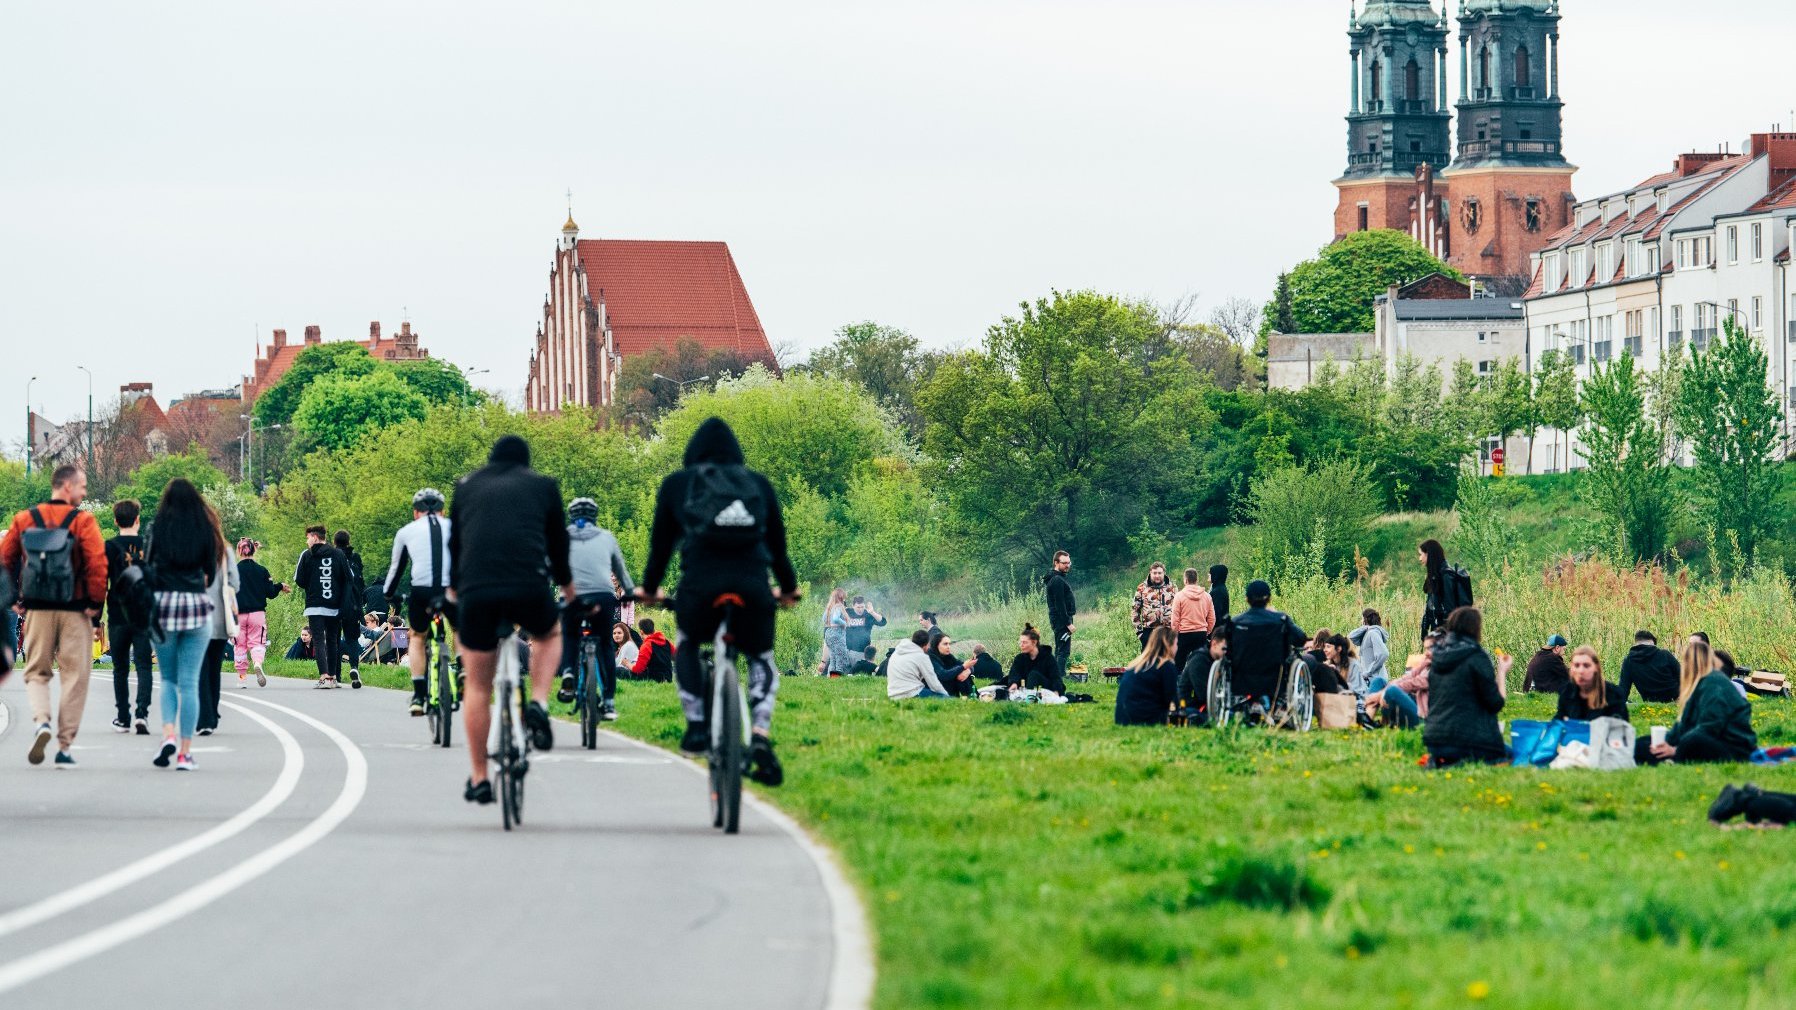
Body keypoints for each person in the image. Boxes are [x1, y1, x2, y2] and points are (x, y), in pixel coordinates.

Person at [637, 417, 801, 787]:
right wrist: (788, 589)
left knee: (689, 645)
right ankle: (759, 734)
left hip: (700, 587)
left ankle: (696, 725)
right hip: (752, 585)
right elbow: (777, 547)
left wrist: (649, 588)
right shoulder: (757, 484)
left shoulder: (680, 484)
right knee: (761, 656)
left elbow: (661, 546)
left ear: (692, 453)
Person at [448, 435, 573, 804]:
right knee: (549, 634)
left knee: (477, 688)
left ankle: (480, 776)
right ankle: (538, 701)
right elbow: (558, 545)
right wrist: (567, 588)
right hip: (528, 587)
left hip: (477, 591)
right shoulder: (543, 486)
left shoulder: (466, 487)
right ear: (525, 463)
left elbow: (456, 545)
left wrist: (455, 592)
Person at [0, 464, 107, 767]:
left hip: (37, 608)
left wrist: (15, 600)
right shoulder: (83, 521)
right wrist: (95, 607)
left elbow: (5, 560)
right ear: (66, 487)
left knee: (36, 671)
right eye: (82, 486)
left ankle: (42, 721)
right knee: (75, 676)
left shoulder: (24, 520)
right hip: (75, 610)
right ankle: (64, 746)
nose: (84, 492)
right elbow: (97, 565)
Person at [145, 479, 225, 771]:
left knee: (168, 679)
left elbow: (148, 565)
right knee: (189, 682)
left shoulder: (157, 528)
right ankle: (185, 753)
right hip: (194, 604)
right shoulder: (204, 529)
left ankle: (168, 733)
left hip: (164, 605)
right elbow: (210, 571)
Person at [554, 496, 633, 722]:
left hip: (572, 596)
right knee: (606, 646)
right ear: (594, 517)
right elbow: (621, 570)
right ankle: (608, 702)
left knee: (569, 635)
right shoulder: (606, 537)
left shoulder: (562, 535)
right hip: (603, 596)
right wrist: (629, 592)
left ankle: (569, 673)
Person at [383, 488, 453, 716]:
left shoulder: (406, 532)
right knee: (462, 628)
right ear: (442, 512)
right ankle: (461, 668)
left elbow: (396, 569)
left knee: (417, 637)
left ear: (416, 513)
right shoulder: (455, 527)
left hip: (421, 592)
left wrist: (389, 594)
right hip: (451, 589)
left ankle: (419, 694)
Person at [1637, 637, 1757, 766]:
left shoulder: (1715, 683)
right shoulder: (1697, 686)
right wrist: (1663, 742)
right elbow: (1683, 725)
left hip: (1733, 747)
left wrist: (1675, 750)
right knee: (1644, 743)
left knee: (1692, 740)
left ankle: (1673, 757)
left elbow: (1710, 726)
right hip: (1708, 739)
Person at [1422, 607, 1512, 768]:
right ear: (1475, 628)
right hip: (1466, 739)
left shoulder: (1438, 657)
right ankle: (1462, 761)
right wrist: (1502, 672)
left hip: (1434, 740)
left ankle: (1447, 761)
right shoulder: (1477, 656)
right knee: (1513, 754)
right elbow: (1496, 703)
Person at [104, 499, 154, 733]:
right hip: (143, 614)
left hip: (117, 614)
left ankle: (123, 716)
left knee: (120, 667)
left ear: (115, 520)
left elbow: (100, 581)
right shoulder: (148, 545)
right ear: (138, 519)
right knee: (143, 665)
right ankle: (142, 713)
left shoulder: (109, 546)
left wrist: (95, 618)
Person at [1223, 580, 1308, 708]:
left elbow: (1228, 648)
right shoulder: (1281, 620)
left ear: (1246, 599)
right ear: (1269, 598)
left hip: (1242, 677)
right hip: (1275, 677)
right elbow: (1300, 639)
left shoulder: (1235, 622)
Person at [294, 525, 351, 688]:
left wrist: (312, 584)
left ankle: (324, 677)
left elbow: (299, 579)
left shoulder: (306, 555)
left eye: (308, 538)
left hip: (314, 604)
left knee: (319, 640)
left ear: (315, 537)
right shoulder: (338, 554)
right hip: (334, 605)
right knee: (332, 640)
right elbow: (348, 577)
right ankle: (333, 678)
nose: (307, 541)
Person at [194, 533, 240, 735]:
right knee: (214, 668)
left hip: (196, 618)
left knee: (200, 669)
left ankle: (205, 717)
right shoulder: (225, 550)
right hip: (220, 619)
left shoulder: (192, 550)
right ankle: (212, 712)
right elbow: (235, 584)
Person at [234, 538, 286, 689]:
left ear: (239, 552)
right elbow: (270, 592)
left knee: (240, 646)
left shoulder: (233, 571)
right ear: (254, 550)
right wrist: (280, 586)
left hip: (239, 614)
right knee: (257, 642)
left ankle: (242, 678)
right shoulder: (262, 571)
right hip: (257, 614)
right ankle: (257, 663)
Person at [1368, 632, 1439, 730]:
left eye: (1430, 648)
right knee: (1378, 681)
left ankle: (1374, 722)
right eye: (1425, 649)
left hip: (1423, 718)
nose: (1426, 652)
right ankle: (1367, 720)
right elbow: (1406, 678)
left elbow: (1412, 683)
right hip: (1413, 703)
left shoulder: (1440, 669)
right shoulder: (1426, 665)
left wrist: (1383, 692)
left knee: (1392, 691)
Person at [1115, 626, 1179, 726]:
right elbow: (1172, 701)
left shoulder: (1135, 664)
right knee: (1194, 713)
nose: (1177, 648)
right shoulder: (1166, 666)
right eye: (1176, 644)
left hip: (1122, 718)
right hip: (1147, 719)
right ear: (1168, 645)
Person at [1554, 646, 1627, 721]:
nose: (1581, 671)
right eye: (1576, 665)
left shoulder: (1613, 693)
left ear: (1596, 667)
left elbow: (1621, 728)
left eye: (1586, 666)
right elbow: (1558, 722)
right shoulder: (1567, 691)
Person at [333, 530, 366, 689]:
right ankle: (354, 667)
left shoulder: (332, 557)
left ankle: (337, 675)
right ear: (348, 541)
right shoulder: (355, 558)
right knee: (352, 640)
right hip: (353, 605)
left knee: (335, 639)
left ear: (334, 542)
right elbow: (361, 583)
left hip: (336, 604)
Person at [1170, 567, 1216, 672]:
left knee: (1178, 665)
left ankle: (1179, 686)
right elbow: (1212, 618)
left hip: (1184, 634)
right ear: (1196, 580)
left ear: (1185, 580)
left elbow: (1175, 619)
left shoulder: (1179, 596)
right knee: (1200, 664)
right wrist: (1206, 631)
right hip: (1200, 634)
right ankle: (1199, 686)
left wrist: (1175, 634)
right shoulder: (1207, 596)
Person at [1618, 629, 1680, 703]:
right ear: (1653, 643)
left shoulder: (1629, 661)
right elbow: (1684, 677)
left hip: (1651, 705)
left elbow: (1623, 690)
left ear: (1636, 642)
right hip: (1677, 701)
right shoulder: (1665, 655)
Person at [886, 629, 948, 700]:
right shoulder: (922, 657)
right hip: (911, 694)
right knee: (949, 699)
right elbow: (934, 684)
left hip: (893, 694)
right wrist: (945, 695)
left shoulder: (896, 652)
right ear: (927, 644)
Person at [1004, 625, 1063, 694]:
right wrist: (1014, 683)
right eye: (1020, 642)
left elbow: (1056, 677)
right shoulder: (1019, 658)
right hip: (1025, 687)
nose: (1021, 645)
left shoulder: (1048, 657)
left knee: (1033, 675)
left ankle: (1030, 697)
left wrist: (1056, 692)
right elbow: (1015, 673)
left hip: (1045, 689)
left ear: (1034, 642)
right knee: (1005, 680)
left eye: (1024, 642)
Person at [1045, 550, 1076, 683]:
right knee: (1063, 649)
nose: (1067, 565)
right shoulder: (1057, 580)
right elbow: (1060, 604)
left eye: (1069, 563)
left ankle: (1056, 675)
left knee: (1060, 647)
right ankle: (1060, 676)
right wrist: (1068, 623)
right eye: (1064, 563)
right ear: (1056, 563)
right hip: (1061, 621)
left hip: (1060, 620)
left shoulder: (1057, 578)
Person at [1130, 562, 1176, 649]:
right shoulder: (1142, 588)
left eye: (1159, 573)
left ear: (1164, 573)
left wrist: (1177, 631)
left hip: (1168, 631)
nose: (1157, 576)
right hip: (1149, 632)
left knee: (1169, 661)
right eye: (1154, 573)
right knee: (1149, 662)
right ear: (1150, 573)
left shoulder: (1172, 587)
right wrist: (1140, 633)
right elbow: (1134, 610)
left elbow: (1179, 609)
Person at [1347, 610, 1388, 696]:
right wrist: (1365, 627)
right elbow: (1351, 637)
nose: (1360, 621)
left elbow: (1383, 654)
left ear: (1365, 619)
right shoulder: (1367, 632)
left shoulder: (1373, 633)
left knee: (1369, 707)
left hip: (1375, 680)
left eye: (1362, 619)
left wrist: (1368, 672)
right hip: (1370, 680)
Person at [1418, 539, 1452, 642]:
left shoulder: (1446, 576)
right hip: (1436, 633)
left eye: (1421, 554)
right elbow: (1430, 605)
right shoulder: (1433, 576)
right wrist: (1424, 627)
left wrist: (1442, 633)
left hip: (1445, 635)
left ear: (1429, 554)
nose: (1420, 558)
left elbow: (1450, 609)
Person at [927, 629, 977, 698]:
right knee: (958, 672)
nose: (948, 647)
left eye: (949, 644)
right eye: (945, 644)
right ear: (936, 645)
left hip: (947, 685)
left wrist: (968, 671)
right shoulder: (930, 657)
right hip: (935, 690)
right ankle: (972, 698)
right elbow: (943, 675)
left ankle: (973, 698)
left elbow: (964, 664)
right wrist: (963, 667)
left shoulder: (947, 656)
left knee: (962, 673)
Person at [821, 588, 853, 677]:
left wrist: (831, 624)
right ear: (841, 597)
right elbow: (835, 618)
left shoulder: (829, 607)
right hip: (837, 634)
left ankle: (830, 677)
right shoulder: (839, 606)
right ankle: (838, 678)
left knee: (833, 658)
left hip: (828, 633)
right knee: (840, 658)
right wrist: (845, 624)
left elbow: (823, 619)